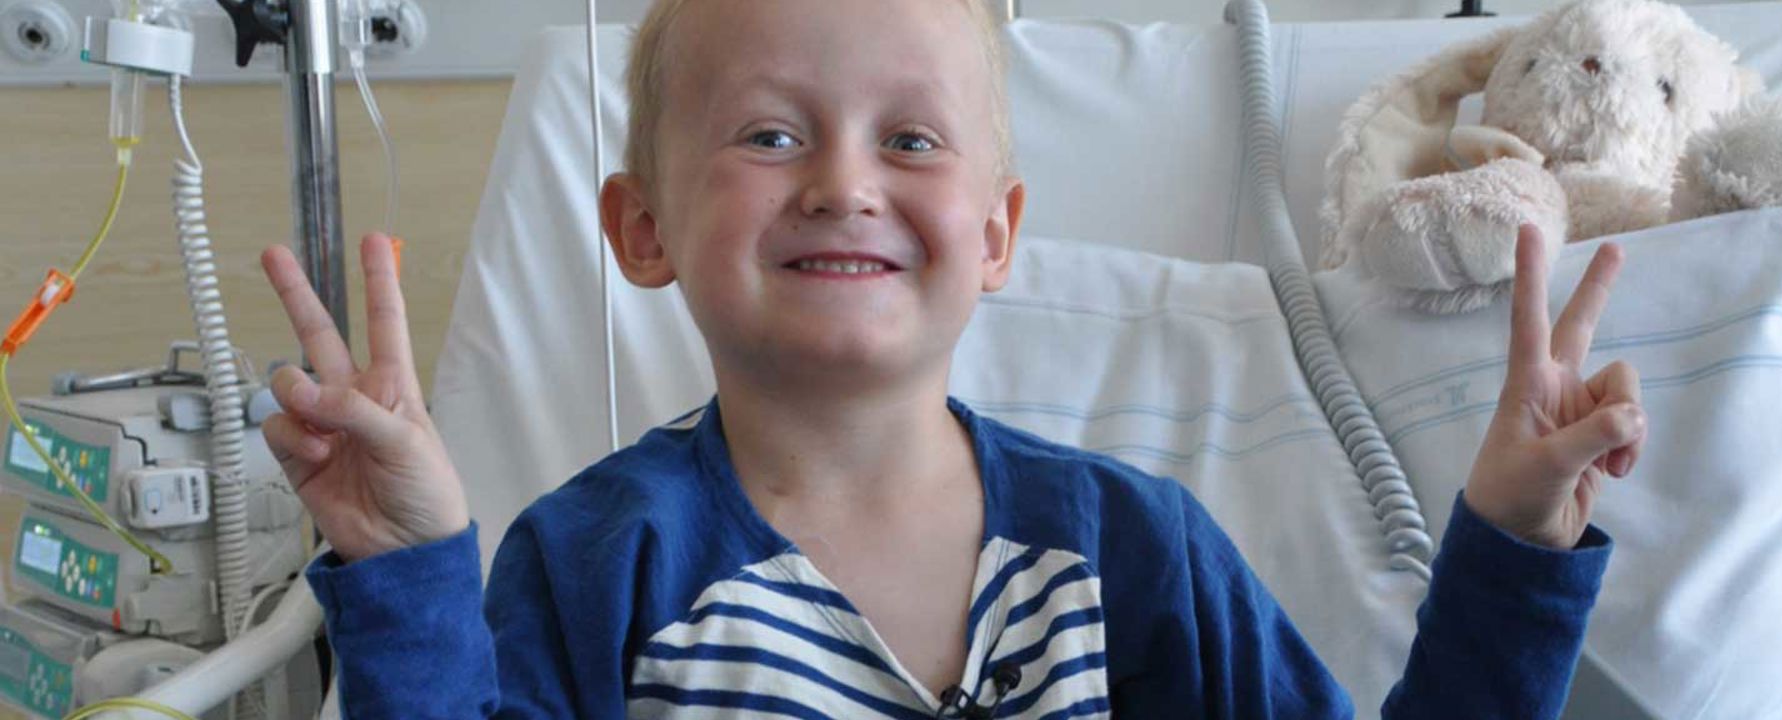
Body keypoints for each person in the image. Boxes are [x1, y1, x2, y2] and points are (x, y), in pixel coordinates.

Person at [258, 0, 1648, 716]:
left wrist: (1514, 552)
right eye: (769, 135)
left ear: (994, 234)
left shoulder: (1137, 556)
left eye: (911, 140)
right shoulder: (596, 565)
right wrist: (409, 570)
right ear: (643, 228)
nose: (843, 184)